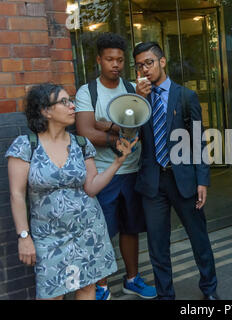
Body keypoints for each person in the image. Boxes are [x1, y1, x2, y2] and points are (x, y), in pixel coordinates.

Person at [6, 83, 136, 300]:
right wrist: (24, 236)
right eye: (64, 102)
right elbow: (16, 196)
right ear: (45, 110)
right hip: (48, 238)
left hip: (88, 231)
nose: (72, 107)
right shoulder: (26, 146)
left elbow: (91, 187)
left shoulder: (81, 143)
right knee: (52, 294)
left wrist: (118, 161)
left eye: (71, 101)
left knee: (87, 289)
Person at [133, 41, 219, 300]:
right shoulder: (138, 98)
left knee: (199, 239)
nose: (145, 69)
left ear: (162, 61)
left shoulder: (185, 96)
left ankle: (210, 290)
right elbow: (128, 132)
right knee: (157, 245)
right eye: (139, 66)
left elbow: (198, 140)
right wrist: (139, 101)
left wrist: (202, 180)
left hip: (183, 179)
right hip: (152, 181)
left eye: (149, 62)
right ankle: (165, 295)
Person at [75, 33, 156, 300]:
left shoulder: (133, 88)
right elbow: (85, 132)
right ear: (99, 60)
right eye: (110, 59)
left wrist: (105, 125)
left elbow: (142, 126)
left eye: (120, 60)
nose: (116, 64)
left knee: (131, 229)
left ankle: (132, 279)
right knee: (101, 233)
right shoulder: (88, 92)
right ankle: (100, 286)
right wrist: (116, 135)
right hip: (102, 174)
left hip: (132, 171)